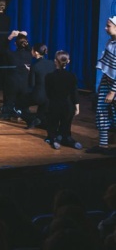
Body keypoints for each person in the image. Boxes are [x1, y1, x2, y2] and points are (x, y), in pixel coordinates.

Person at [87, 16, 116, 154]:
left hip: (114, 86)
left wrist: (113, 91)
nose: (105, 28)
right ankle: (102, 145)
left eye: (108, 26)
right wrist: (103, 85)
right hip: (107, 82)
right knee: (102, 112)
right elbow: (108, 67)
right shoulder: (110, 42)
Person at [45, 50, 82, 150]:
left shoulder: (49, 76)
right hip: (68, 106)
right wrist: (77, 107)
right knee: (66, 125)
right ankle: (67, 138)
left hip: (54, 105)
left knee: (53, 124)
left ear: (55, 61)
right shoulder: (72, 76)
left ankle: (53, 139)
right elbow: (74, 93)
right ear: (68, 61)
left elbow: (48, 93)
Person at [23, 43, 55, 128]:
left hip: (38, 96)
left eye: (32, 50)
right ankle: (39, 121)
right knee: (41, 114)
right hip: (49, 96)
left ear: (36, 52)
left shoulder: (35, 66)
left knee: (19, 104)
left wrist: (30, 72)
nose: (31, 51)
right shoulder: (52, 63)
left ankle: (31, 120)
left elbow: (32, 84)